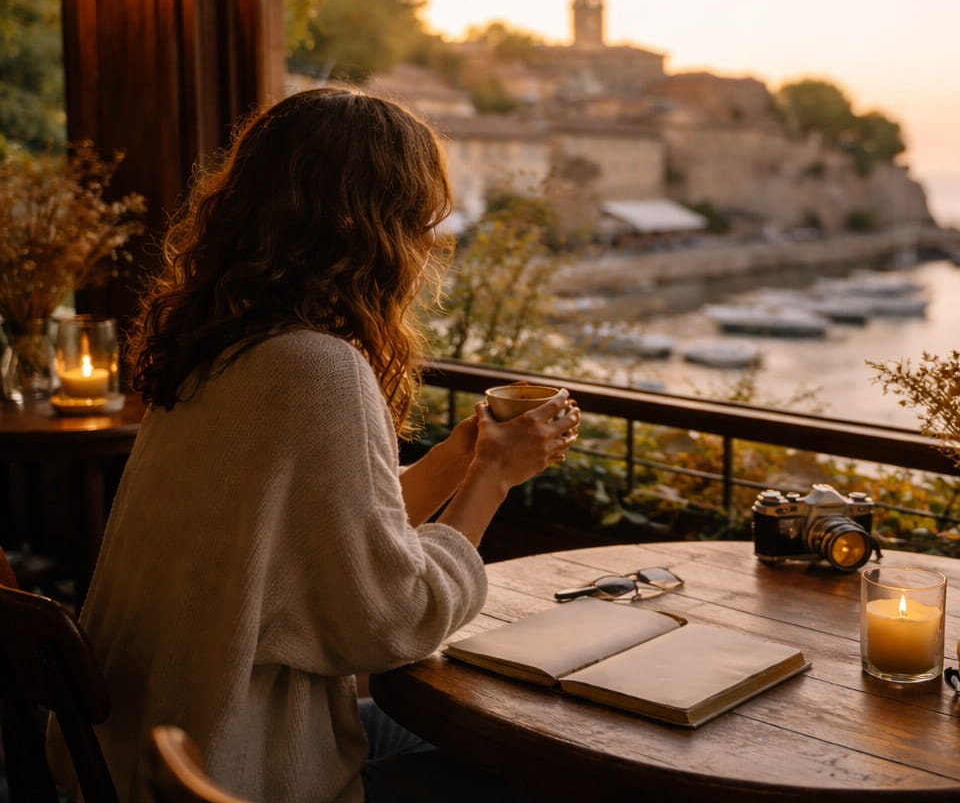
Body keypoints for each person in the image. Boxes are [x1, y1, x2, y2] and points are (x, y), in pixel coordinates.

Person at [53, 88, 580, 802]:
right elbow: (395, 621)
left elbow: (329, 537)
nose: (430, 244)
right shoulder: (318, 369)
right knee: (534, 768)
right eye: (422, 221)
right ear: (371, 229)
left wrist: (461, 455)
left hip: (131, 753)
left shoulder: (224, 348)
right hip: (240, 770)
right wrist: (491, 479)